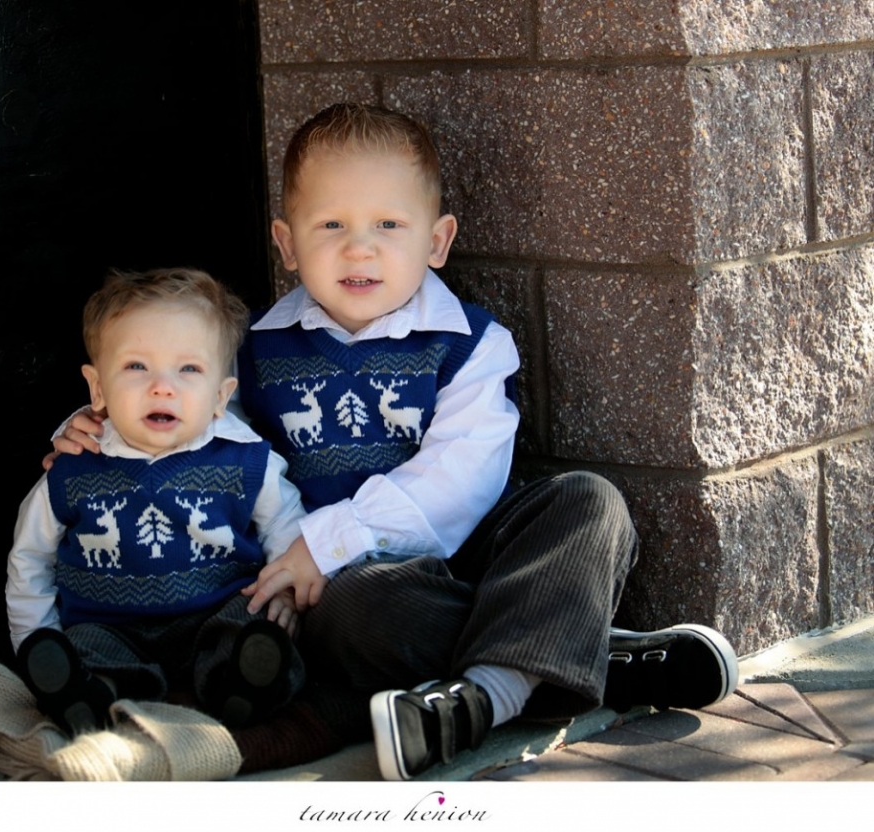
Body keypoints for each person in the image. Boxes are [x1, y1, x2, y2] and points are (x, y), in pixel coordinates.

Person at [53, 104, 738, 780]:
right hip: (357, 591)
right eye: (331, 225)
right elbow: (174, 410)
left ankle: (500, 685)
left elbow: (462, 478)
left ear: (436, 241)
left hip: (465, 554)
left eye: (389, 224)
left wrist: (333, 535)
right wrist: (102, 430)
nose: (360, 247)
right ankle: (566, 655)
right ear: (287, 243)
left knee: (588, 501)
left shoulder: (472, 344)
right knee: (354, 614)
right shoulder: (248, 351)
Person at [7, 267, 307, 735]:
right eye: (136, 366)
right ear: (97, 387)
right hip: (109, 625)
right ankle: (86, 691)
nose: (162, 385)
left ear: (221, 395)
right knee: (86, 646)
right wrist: (36, 640)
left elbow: (286, 526)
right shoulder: (72, 469)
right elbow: (30, 558)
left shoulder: (247, 461)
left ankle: (244, 685)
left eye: (189, 369)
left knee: (250, 628)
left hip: (217, 610)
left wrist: (285, 589)